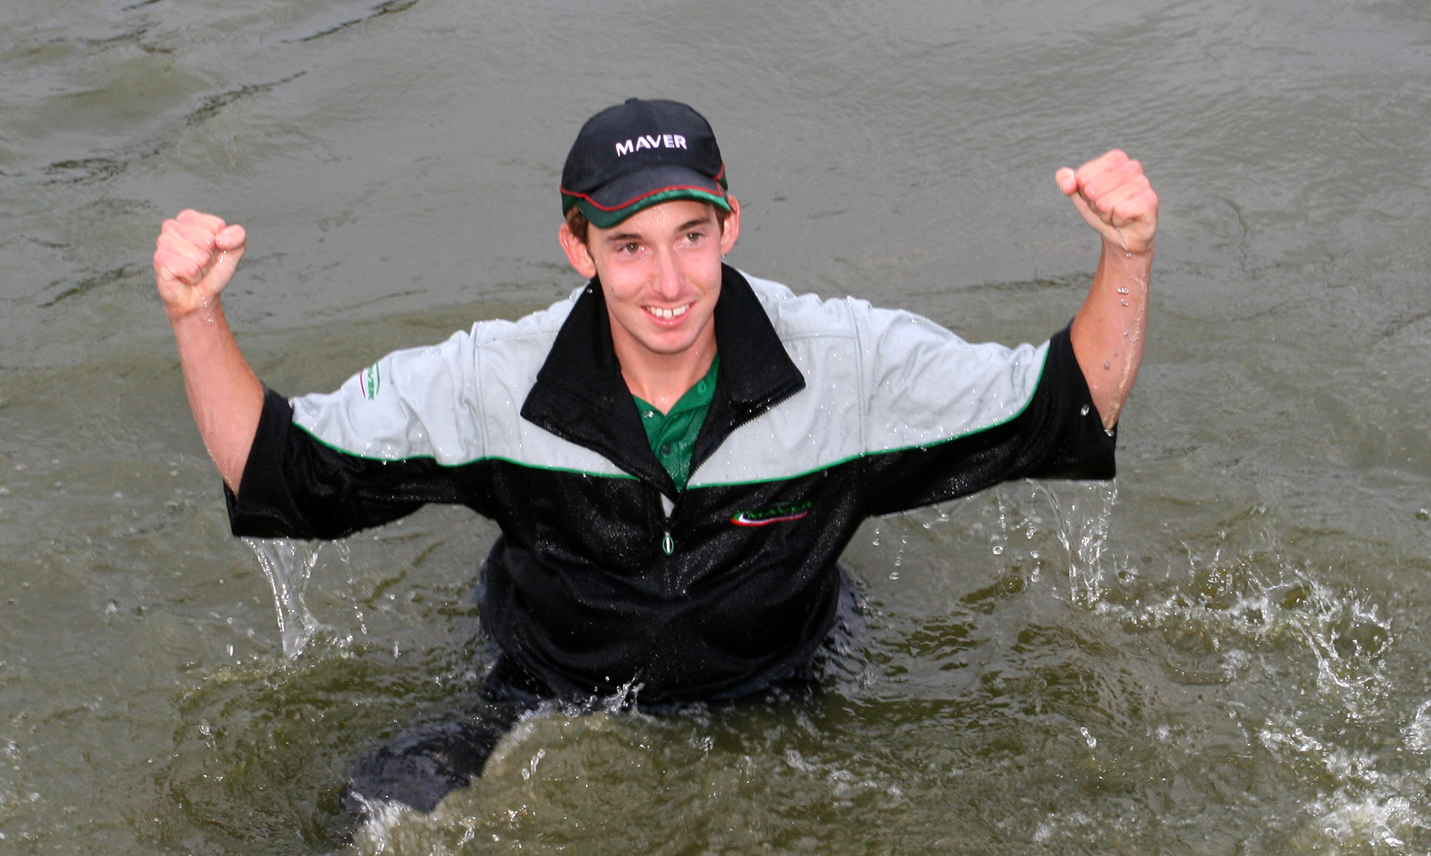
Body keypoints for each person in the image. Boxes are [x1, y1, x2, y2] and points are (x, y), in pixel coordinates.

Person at [153, 98, 1157, 817]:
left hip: (782, 681)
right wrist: (198, 316)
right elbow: (278, 470)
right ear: (577, 248)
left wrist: (1128, 252)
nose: (669, 281)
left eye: (691, 235)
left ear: (731, 226)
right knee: (365, 812)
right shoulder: (492, 381)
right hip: (547, 681)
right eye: (629, 245)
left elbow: (1066, 403)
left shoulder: (848, 367)